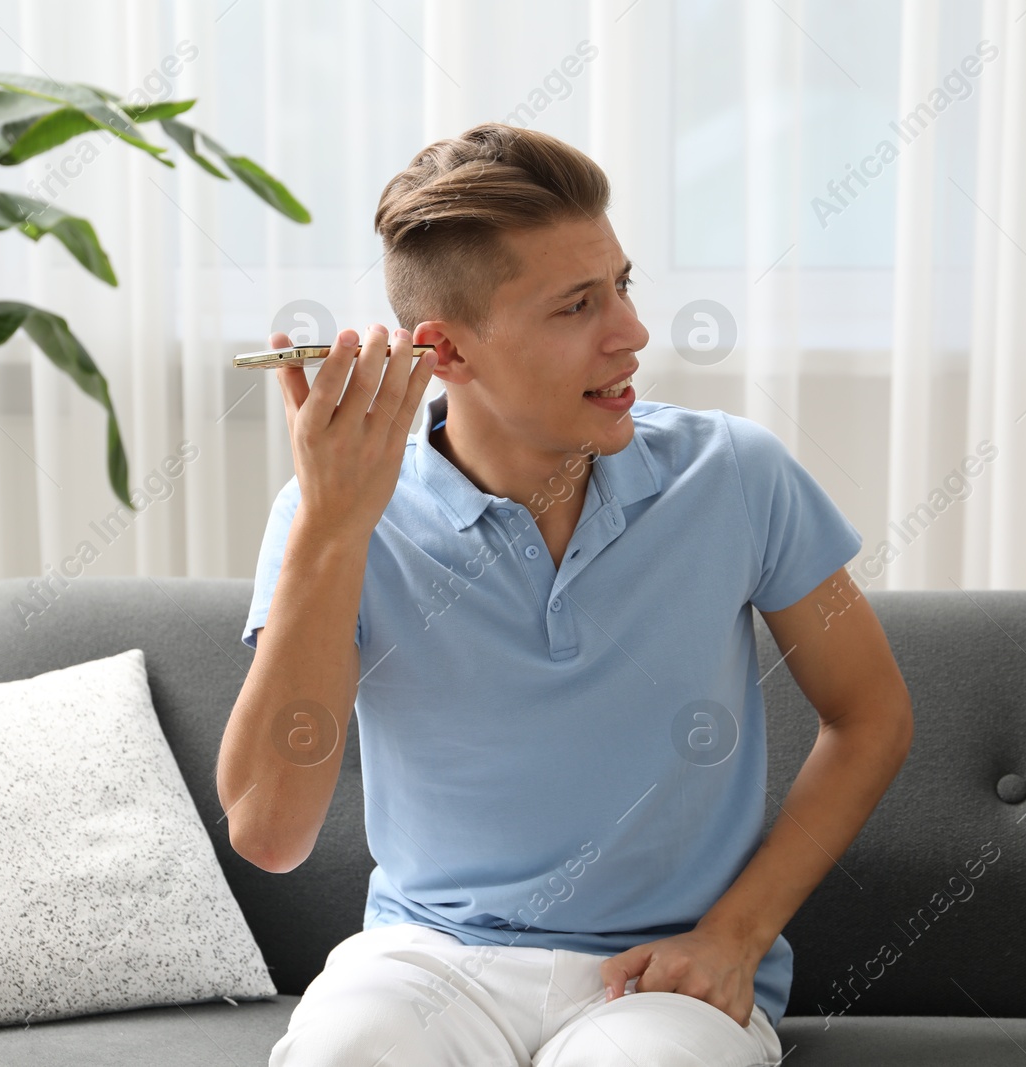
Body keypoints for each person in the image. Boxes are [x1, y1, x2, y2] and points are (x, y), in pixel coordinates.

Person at [217, 121, 913, 1066]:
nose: (632, 333)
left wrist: (735, 936)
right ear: (445, 354)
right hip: (426, 961)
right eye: (578, 305)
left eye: (621, 285)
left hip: (658, 976)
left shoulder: (737, 475)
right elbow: (268, 831)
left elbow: (871, 713)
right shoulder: (329, 514)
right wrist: (332, 530)